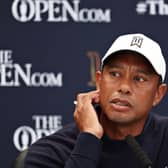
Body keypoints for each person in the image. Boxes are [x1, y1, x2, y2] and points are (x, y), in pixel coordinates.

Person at [24, 33, 168, 168]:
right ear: (99, 82)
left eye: (139, 78)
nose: (124, 87)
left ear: (158, 94)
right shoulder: (51, 152)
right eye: (115, 74)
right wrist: (90, 137)